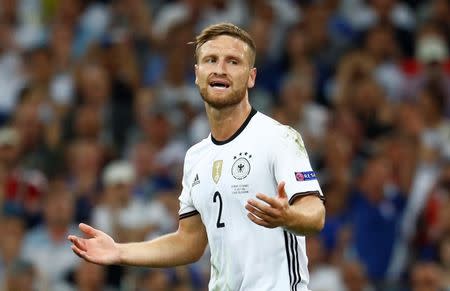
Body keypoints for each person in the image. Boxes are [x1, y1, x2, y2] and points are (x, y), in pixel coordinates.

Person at [68, 22, 326, 291]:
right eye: (210, 60)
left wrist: (289, 217)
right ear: (197, 73)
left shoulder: (278, 138)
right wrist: (120, 252)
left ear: (251, 77)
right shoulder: (196, 157)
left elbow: (315, 213)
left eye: (233, 62)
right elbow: (189, 242)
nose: (220, 69)